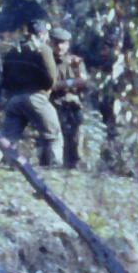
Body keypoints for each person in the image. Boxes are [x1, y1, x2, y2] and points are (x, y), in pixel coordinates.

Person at [0, 19, 63, 167]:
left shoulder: (13, 51)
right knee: (54, 135)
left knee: (6, 137)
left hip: (14, 99)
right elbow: (51, 78)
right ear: (40, 34)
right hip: (36, 97)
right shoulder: (43, 49)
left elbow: (4, 80)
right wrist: (46, 89)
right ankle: (56, 165)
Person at [49, 27, 91, 170]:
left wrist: (65, 83)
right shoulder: (47, 60)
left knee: (76, 134)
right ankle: (55, 163)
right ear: (51, 43)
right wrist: (71, 82)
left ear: (68, 44)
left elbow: (84, 80)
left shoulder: (75, 61)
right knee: (56, 134)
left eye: (64, 43)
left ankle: (74, 164)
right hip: (54, 102)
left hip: (72, 102)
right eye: (56, 43)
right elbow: (50, 85)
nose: (60, 47)